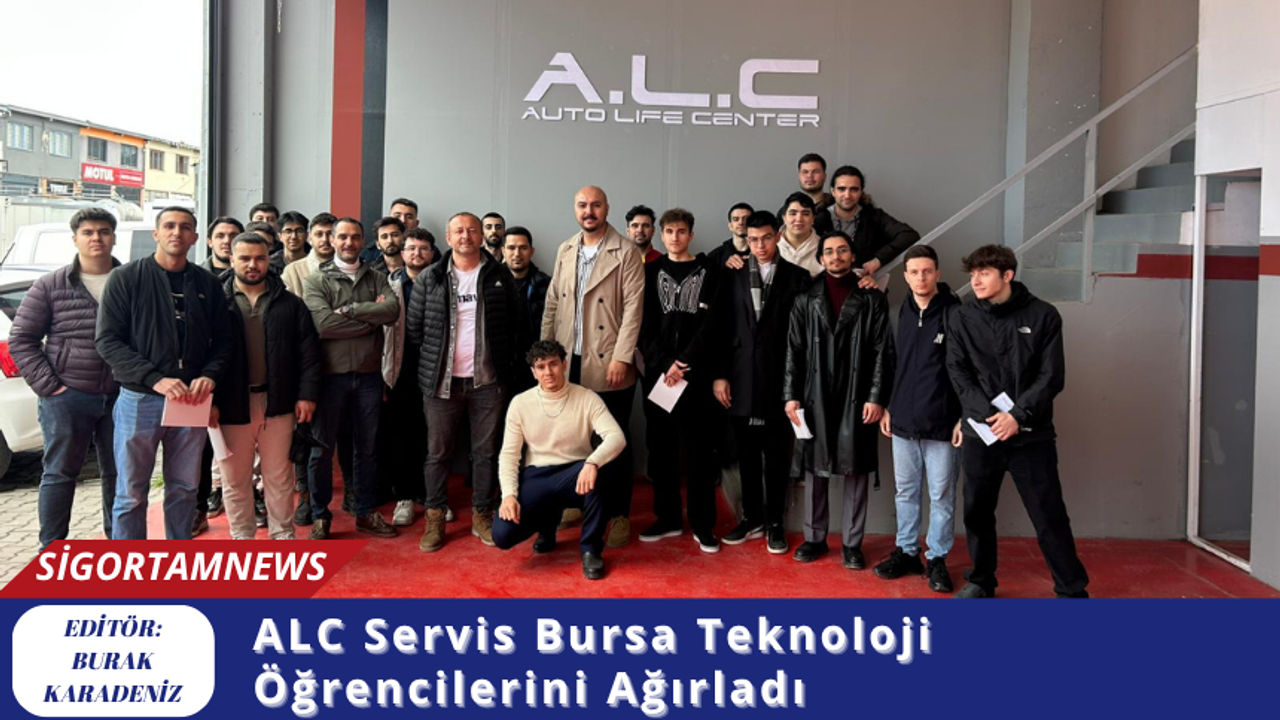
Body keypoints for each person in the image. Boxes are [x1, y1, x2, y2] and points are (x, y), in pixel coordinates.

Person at [946, 244, 1089, 599]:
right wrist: (989, 417)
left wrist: (1017, 416)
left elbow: (1051, 376)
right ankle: (981, 581)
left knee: (1049, 514)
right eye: (973, 274)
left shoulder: (1044, 315)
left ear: (1007, 275)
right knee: (977, 513)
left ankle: (1072, 590)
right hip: (982, 434)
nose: (976, 281)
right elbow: (958, 372)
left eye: (984, 273)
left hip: (1031, 436)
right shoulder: (961, 317)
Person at [95, 206, 232, 540]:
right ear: (156, 234)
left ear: (195, 237)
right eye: (169, 226)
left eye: (185, 227)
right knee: (131, 492)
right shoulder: (126, 278)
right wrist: (154, 378)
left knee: (184, 488)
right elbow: (107, 340)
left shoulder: (207, 283)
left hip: (191, 400)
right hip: (140, 398)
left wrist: (210, 375)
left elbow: (225, 341)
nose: (176, 233)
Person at [407, 212, 525, 552]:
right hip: (441, 384)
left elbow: (517, 325)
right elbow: (415, 330)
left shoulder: (500, 275)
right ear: (448, 237)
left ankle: (481, 514)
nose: (466, 236)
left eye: (472, 230)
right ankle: (434, 518)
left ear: (481, 236)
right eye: (459, 230)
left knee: (485, 453)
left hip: (488, 382)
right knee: (437, 454)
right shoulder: (430, 277)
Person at [10, 208, 121, 550]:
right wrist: (51, 387)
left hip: (121, 395)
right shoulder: (51, 285)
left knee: (119, 474)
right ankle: (51, 549)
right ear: (75, 239)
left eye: (103, 231)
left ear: (113, 237)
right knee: (59, 473)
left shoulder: (130, 280)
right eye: (88, 232)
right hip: (68, 395)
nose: (96, 238)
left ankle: (119, 545)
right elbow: (22, 339)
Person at [783, 231, 894, 568]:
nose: (836, 256)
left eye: (842, 250)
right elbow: (794, 350)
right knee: (815, 468)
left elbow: (882, 352)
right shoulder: (805, 298)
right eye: (829, 251)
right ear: (821, 258)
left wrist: (876, 396)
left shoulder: (872, 299)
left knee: (855, 469)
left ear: (853, 255)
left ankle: (852, 543)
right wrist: (790, 396)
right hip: (814, 393)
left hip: (857, 393)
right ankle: (814, 538)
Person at [542, 186, 645, 548]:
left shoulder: (626, 251)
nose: (589, 211)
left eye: (596, 205)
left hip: (608, 359)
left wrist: (622, 356)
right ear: (575, 209)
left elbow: (634, 310)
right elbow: (552, 303)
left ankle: (618, 514)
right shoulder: (566, 249)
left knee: (613, 441)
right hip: (568, 360)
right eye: (583, 205)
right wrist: (544, 355)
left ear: (607, 208)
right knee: (573, 439)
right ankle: (578, 502)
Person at [711, 210, 811, 554]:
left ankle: (775, 523)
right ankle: (751, 518)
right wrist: (720, 375)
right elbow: (719, 326)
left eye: (766, 238)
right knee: (747, 456)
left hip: (780, 379)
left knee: (778, 458)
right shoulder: (732, 273)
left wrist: (796, 386)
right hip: (739, 377)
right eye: (753, 240)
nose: (760, 245)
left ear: (778, 235)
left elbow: (803, 336)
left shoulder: (798, 277)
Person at [211, 232, 321, 539]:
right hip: (231, 405)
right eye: (244, 258)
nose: (252, 264)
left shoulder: (291, 304)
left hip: (278, 401)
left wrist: (307, 394)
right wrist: (210, 402)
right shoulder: (215, 304)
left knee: (279, 477)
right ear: (231, 259)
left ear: (268, 260)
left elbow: (309, 354)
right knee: (235, 479)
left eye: (259, 258)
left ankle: (283, 535)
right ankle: (242, 538)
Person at [302, 217, 401, 539]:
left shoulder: (376, 276)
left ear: (362, 241)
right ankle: (320, 515)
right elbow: (323, 326)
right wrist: (371, 318)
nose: (349, 242)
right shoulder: (317, 280)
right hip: (329, 379)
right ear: (332, 240)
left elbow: (392, 312)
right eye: (342, 236)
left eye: (355, 237)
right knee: (321, 450)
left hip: (369, 378)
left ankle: (365, 512)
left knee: (367, 449)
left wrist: (350, 310)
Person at [494, 340, 626, 580]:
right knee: (502, 535)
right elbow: (509, 455)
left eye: (553, 364)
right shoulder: (520, 403)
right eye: (541, 367)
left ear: (564, 364)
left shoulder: (586, 397)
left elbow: (616, 437)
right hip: (537, 475)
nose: (548, 372)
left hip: (576, 473)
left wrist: (592, 462)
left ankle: (591, 550)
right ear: (533, 372)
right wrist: (509, 495)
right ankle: (547, 526)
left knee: (600, 474)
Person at [875, 244, 962, 592]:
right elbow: (891, 363)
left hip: (943, 424)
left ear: (937, 273)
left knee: (941, 495)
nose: (921, 277)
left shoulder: (955, 313)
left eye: (927, 271)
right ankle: (908, 552)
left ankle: (937, 559)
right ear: (906, 276)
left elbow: (967, 370)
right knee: (906, 492)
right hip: (902, 422)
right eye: (914, 272)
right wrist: (888, 406)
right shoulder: (901, 313)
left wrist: (963, 418)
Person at [636, 208, 722, 552]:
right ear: (661, 235)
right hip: (660, 377)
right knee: (661, 450)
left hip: (696, 376)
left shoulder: (710, 271)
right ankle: (668, 518)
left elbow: (713, 325)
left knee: (700, 453)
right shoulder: (649, 271)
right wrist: (663, 364)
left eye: (681, 231)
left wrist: (684, 361)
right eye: (669, 231)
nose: (675, 237)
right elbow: (642, 324)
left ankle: (703, 524)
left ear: (691, 234)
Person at [384, 228, 434, 527]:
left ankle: (431, 497)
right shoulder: (388, 285)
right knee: (400, 435)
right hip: (398, 369)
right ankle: (404, 497)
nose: (417, 253)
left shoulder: (443, 283)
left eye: (423, 248)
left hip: (434, 371)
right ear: (402, 253)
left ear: (432, 254)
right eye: (411, 248)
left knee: (433, 437)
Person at [827, 166, 921, 278]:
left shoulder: (874, 217)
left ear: (861, 192)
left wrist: (878, 260)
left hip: (867, 283)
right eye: (841, 189)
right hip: (826, 284)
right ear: (833, 191)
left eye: (854, 189)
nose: (847, 195)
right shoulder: (819, 218)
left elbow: (909, 235)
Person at [503, 226, 551, 368]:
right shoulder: (489, 284)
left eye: (523, 248)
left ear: (531, 251)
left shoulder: (546, 284)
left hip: (535, 360)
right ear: (503, 251)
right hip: (500, 362)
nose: (517, 254)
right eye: (511, 248)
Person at [778, 153, 834, 234]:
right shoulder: (786, 210)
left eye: (816, 172)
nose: (810, 176)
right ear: (799, 176)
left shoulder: (834, 207)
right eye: (805, 172)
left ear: (824, 177)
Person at [776, 192, 823, 278]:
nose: (799, 219)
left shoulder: (823, 247)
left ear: (813, 218)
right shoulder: (771, 244)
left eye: (805, 214)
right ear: (784, 218)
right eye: (793, 213)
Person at [706, 203, 754, 268]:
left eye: (746, 219)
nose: (741, 222)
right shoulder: (715, 256)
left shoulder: (763, 252)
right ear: (730, 226)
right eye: (735, 219)